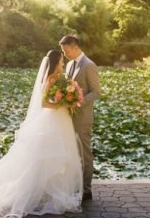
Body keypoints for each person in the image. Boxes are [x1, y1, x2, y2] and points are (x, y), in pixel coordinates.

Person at [0, 49, 83, 218]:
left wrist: (70, 99)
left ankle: (51, 193)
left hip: (62, 121)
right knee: (44, 158)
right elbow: (45, 103)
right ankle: (29, 193)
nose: (62, 62)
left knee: (60, 157)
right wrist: (62, 104)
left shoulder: (62, 78)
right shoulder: (51, 79)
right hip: (52, 120)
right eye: (60, 60)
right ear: (55, 62)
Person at [59, 34, 102, 201]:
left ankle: (86, 190)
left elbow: (96, 92)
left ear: (75, 47)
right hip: (68, 118)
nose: (64, 54)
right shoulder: (69, 64)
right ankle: (74, 186)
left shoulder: (89, 65)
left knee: (85, 154)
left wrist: (78, 103)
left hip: (83, 117)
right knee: (72, 153)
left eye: (66, 50)